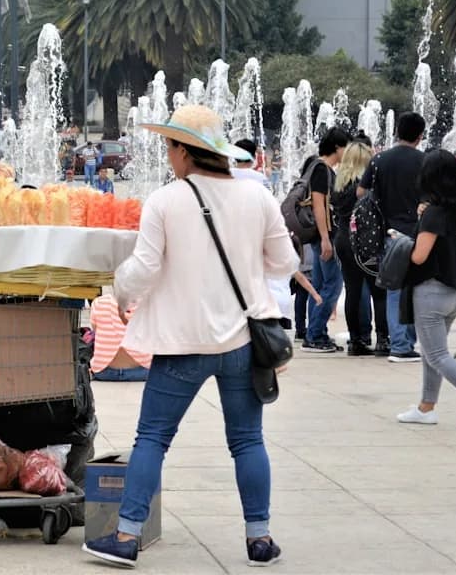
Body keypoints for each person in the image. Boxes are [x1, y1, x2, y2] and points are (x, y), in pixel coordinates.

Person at [82, 105, 299, 569]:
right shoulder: (256, 197)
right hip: (242, 341)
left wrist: (120, 292)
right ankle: (259, 540)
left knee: (152, 439)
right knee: (247, 440)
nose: (168, 156)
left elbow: (145, 268)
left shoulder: (166, 200)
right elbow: (285, 264)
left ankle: (125, 537)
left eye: (170, 147)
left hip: (182, 344)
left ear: (185, 151)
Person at [395, 150, 456, 429]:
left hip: (430, 291)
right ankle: (426, 407)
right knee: (431, 352)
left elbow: (419, 256)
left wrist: (401, 240)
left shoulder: (434, 214)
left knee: (437, 354)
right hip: (455, 292)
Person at [358, 112, 426, 363]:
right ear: (420, 136)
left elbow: (361, 192)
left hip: (387, 233)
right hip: (418, 234)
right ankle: (405, 343)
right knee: (415, 289)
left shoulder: (379, 160)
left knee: (394, 287)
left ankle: (398, 343)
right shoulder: (424, 161)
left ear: (397, 131)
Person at [331, 142, 389, 356]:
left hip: (344, 239)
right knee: (378, 291)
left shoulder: (339, 183)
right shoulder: (366, 184)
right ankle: (383, 338)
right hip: (367, 240)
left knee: (353, 291)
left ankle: (356, 341)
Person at [301, 127, 350, 353]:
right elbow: (318, 204)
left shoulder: (316, 166)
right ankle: (315, 335)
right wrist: (325, 238)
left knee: (320, 287)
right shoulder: (322, 169)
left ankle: (316, 333)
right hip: (325, 235)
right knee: (333, 285)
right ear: (338, 148)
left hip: (321, 235)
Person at [88, 294, 151, 381]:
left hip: (104, 372)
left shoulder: (99, 302)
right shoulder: (147, 303)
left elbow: (95, 329)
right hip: (142, 371)